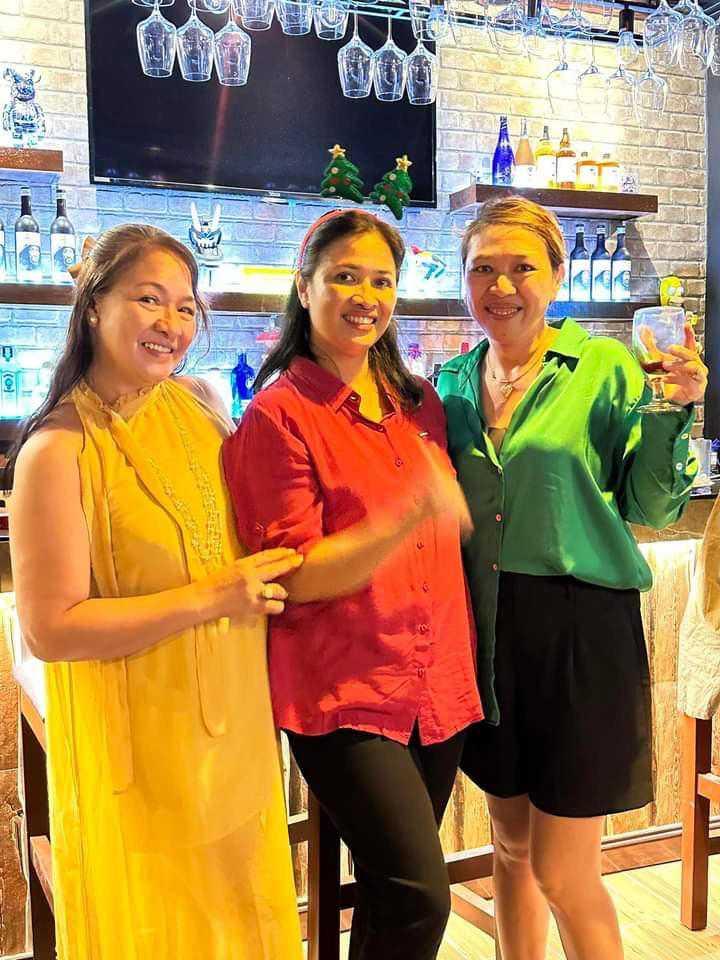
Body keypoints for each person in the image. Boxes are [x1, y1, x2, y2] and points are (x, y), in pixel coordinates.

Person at [8, 224, 304, 960]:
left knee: (243, 919)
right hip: (141, 751)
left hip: (234, 730)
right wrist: (216, 596)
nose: (171, 323)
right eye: (148, 299)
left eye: (184, 306)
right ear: (92, 306)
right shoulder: (58, 449)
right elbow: (52, 629)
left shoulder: (200, 407)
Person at [436, 196, 708, 960]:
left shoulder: (604, 367)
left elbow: (652, 505)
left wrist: (673, 411)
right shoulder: (450, 383)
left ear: (557, 276)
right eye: (482, 268)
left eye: (521, 267)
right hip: (488, 631)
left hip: (581, 633)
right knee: (510, 849)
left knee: (562, 870)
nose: (501, 286)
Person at [223, 208, 483, 960]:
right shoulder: (278, 417)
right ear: (304, 288)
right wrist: (407, 512)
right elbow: (294, 576)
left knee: (388, 894)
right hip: (343, 694)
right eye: (344, 277)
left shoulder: (418, 403)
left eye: (381, 281)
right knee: (418, 898)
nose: (365, 297)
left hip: (435, 681)